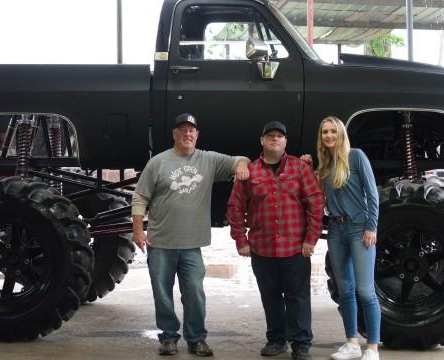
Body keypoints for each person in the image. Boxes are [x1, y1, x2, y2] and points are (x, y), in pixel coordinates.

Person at [131, 113, 250, 357]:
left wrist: (241, 166)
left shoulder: (208, 160)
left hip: (191, 245)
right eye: (182, 130)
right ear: (174, 134)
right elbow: (140, 197)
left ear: (197, 135)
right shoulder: (158, 162)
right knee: (162, 294)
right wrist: (137, 231)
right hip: (160, 242)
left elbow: (241, 159)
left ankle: (196, 339)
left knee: (195, 293)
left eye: (192, 130)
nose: (187, 134)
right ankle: (168, 338)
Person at [226, 121, 325, 360]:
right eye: (270, 136)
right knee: (270, 298)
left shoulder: (300, 168)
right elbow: (235, 208)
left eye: (279, 136)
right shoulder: (250, 171)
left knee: (298, 297)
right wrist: (241, 240)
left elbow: (316, 203)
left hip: (295, 248)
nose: (275, 139)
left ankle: (301, 344)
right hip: (262, 249)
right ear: (262, 140)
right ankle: (276, 340)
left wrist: (311, 239)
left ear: (285, 142)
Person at [301, 116, 380, 360]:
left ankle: (373, 348)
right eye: (325, 132)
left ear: (341, 133)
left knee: (365, 290)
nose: (329, 136)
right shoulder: (325, 165)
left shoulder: (356, 156)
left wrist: (371, 227)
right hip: (336, 230)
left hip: (359, 229)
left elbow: (372, 193)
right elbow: (314, 192)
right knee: (345, 290)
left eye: (333, 131)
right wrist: (307, 166)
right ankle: (352, 343)